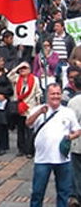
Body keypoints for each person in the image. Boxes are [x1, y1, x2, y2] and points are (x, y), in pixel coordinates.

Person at [27, 83, 81, 207]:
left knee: (63, 192)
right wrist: (39, 112)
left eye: (58, 93)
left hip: (63, 159)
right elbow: (28, 123)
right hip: (42, 159)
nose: (55, 96)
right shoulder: (39, 110)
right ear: (47, 95)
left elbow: (77, 130)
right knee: (37, 192)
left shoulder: (68, 112)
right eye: (52, 94)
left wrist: (70, 137)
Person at [7, 62, 42, 158]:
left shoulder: (34, 79)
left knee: (29, 130)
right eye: (21, 69)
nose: (22, 70)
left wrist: (38, 104)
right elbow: (9, 76)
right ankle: (21, 149)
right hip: (19, 107)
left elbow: (38, 92)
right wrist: (18, 66)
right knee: (20, 130)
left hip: (29, 107)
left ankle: (29, 150)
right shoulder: (17, 78)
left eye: (25, 68)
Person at [67, 71, 81, 207]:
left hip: (78, 142)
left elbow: (70, 122)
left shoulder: (74, 101)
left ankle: (75, 196)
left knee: (76, 170)